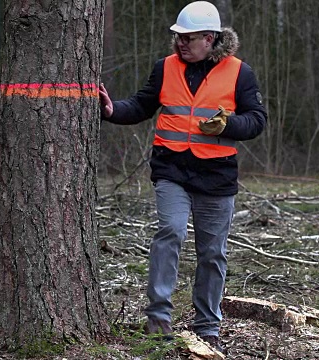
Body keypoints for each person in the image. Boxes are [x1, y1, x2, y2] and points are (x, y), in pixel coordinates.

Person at [99, 0, 267, 353]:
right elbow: (142, 105)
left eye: (188, 38)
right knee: (170, 232)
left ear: (210, 38)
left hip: (216, 177)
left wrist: (228, 124)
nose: (180, 43)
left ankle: (208, 327)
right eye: (178, 37)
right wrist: (113, 110)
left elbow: (257, 120)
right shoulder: (165, 68)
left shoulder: (240, 73)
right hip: (171, 170)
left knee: (212, 254)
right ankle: (158, 321)